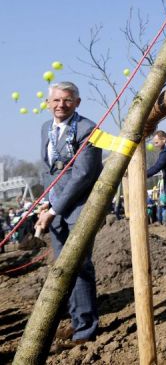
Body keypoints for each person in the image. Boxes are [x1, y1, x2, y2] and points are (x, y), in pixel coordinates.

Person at [36, 82, 102, 345]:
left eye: (67, 100)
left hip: (79, 210)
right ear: (48, 103)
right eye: (56, 100)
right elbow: (48, 170)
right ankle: (77, 321)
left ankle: (86, 328)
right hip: (55, 209)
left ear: (77, 102)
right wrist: (46, 201)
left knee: (79, 266)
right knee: (63, 268)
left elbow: (83, 175)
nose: (60, 105)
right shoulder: (45, 128)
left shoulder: (88, 129)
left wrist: (54, 209)